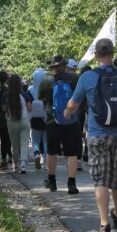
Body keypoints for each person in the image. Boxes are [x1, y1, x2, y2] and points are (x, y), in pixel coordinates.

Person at [65, 39, 117, 232]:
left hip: (97, 136)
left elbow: (73, 105)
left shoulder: (87, 77)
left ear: (95, 55)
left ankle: (104, 223)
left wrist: (66, 114)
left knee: (100, 180)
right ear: (112, 53)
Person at [40, 55, 82, 194]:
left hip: (53, 120)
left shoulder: (47, 81)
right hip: (71, 119)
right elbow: (81, 97)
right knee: (72, 153)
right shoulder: (75, 79)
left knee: (52, 151)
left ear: (52, 67)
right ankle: (71, 184)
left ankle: (52, 182)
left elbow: (40, 97)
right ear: (65, 65)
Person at [4, 74, 32, 173]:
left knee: (14, 145)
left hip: (11, 122)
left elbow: (4, 109)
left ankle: (15, 164)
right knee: (24, 143)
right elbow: (30, 108)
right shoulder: (25, 94)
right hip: (24, 121)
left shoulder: (6, 95)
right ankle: (23, 165)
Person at [0, 71, 13, 170]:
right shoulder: (9, 90)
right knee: (9, 137)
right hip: (9, 115)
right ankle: (11, 155)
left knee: (3, 138)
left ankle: (4, 159)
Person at [29, 68, 48, 170]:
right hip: (45, 117)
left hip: (34, 117)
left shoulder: (30, 89)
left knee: (35, 139)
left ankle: (37, 154)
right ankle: (45, 162)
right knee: (45, 140)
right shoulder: (48, 88)